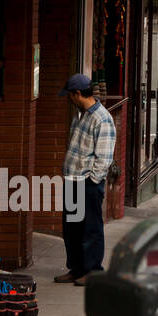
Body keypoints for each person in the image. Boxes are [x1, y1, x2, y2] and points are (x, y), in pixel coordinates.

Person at [55, 74, 116, 286]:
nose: (69, 99)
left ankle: (93, 271)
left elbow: (104, 157)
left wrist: (92, 180)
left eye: (70, 96)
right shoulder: (79, 114)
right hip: (72, 179)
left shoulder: (102, 118)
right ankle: (77, 268)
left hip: (87, 183)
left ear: (77, 94)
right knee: (71, 229)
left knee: (90, 228)